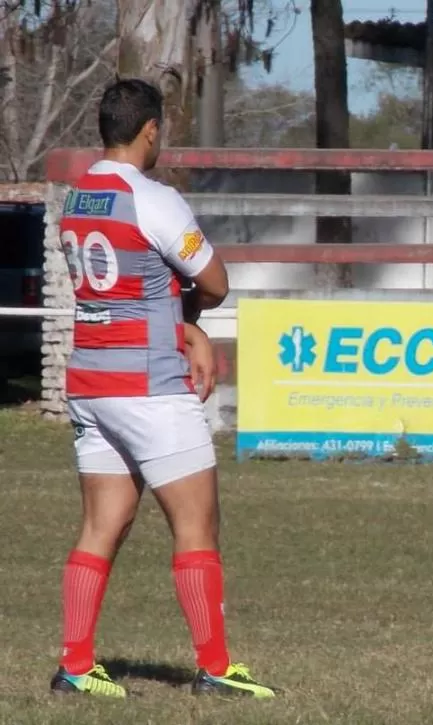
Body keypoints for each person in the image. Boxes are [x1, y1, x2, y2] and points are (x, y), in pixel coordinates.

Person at [50, 78, 277, 699]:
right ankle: (217, 668)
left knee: (103, 524)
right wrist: (191, 323)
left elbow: (127, 285)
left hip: (91, 381)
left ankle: (75, 666)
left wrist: (178, 323)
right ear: (151, 129)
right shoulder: (154, 198)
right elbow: (215, 280)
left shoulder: (78, 198)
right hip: (148, 385)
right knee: (197, 525)